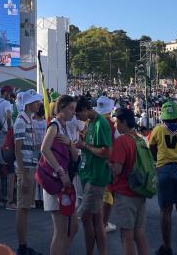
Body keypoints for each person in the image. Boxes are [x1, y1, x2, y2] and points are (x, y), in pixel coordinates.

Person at [149, 100, 177, 255]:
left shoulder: (158, 130)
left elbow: (151, 148)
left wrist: (158, 161)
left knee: (165, 211)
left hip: (164, 171)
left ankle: (166, 247)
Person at [41, 95, 79, 255]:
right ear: (61, 108)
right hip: (57, 182)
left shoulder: (63, 127)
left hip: (65, 181)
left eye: (74, 109)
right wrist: (60, 171)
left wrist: (70, 144)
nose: (73, 113)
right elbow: (44, 149)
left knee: (72, 227)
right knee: (62, 230)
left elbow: (75, 156)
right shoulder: (55, 126)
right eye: (71, 109)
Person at [109, 107, 150, 255]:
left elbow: (117, 169)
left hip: (126, 193)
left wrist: (109, 163)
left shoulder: (122, 141)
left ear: (123, 122)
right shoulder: (140, 139)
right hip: (140, 189)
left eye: (116, 122)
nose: (115, 125)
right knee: (139, 234)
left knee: (126, 235)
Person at [75, 96, 113, 255]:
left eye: (78, 115)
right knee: (97, 220)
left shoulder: (100, 123)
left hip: (96, 177)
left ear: (85, 110)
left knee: (85, 217)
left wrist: (84, 145)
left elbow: (105, 152)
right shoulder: (91, 123)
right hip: (89, 174)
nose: (77, 118)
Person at [13, 90, 44, 255]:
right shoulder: (21, 121)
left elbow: (27, 146)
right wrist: (23, 174)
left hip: (29, 165)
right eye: (36, 102)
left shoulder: (27, 119)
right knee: (23, 207)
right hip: (25, 167)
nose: (38, 104)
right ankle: (22, 246)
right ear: (28, 104)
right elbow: (17, 149)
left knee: (25, 207)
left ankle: (23, 245)